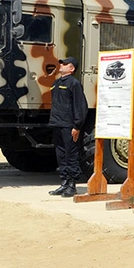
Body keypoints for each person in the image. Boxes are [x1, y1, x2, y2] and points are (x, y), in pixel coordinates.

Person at [47, 57, 88, 198]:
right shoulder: (57, 82)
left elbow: (80, 106)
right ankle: (64, 182)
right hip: (57, 123)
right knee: (61, 154)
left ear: (72, 68)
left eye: (65, 64)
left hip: (69, 125)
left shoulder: (74, 84)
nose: (61, 65)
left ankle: (72, 185)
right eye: (61, 63)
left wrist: (77, 125)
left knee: (71, 154)